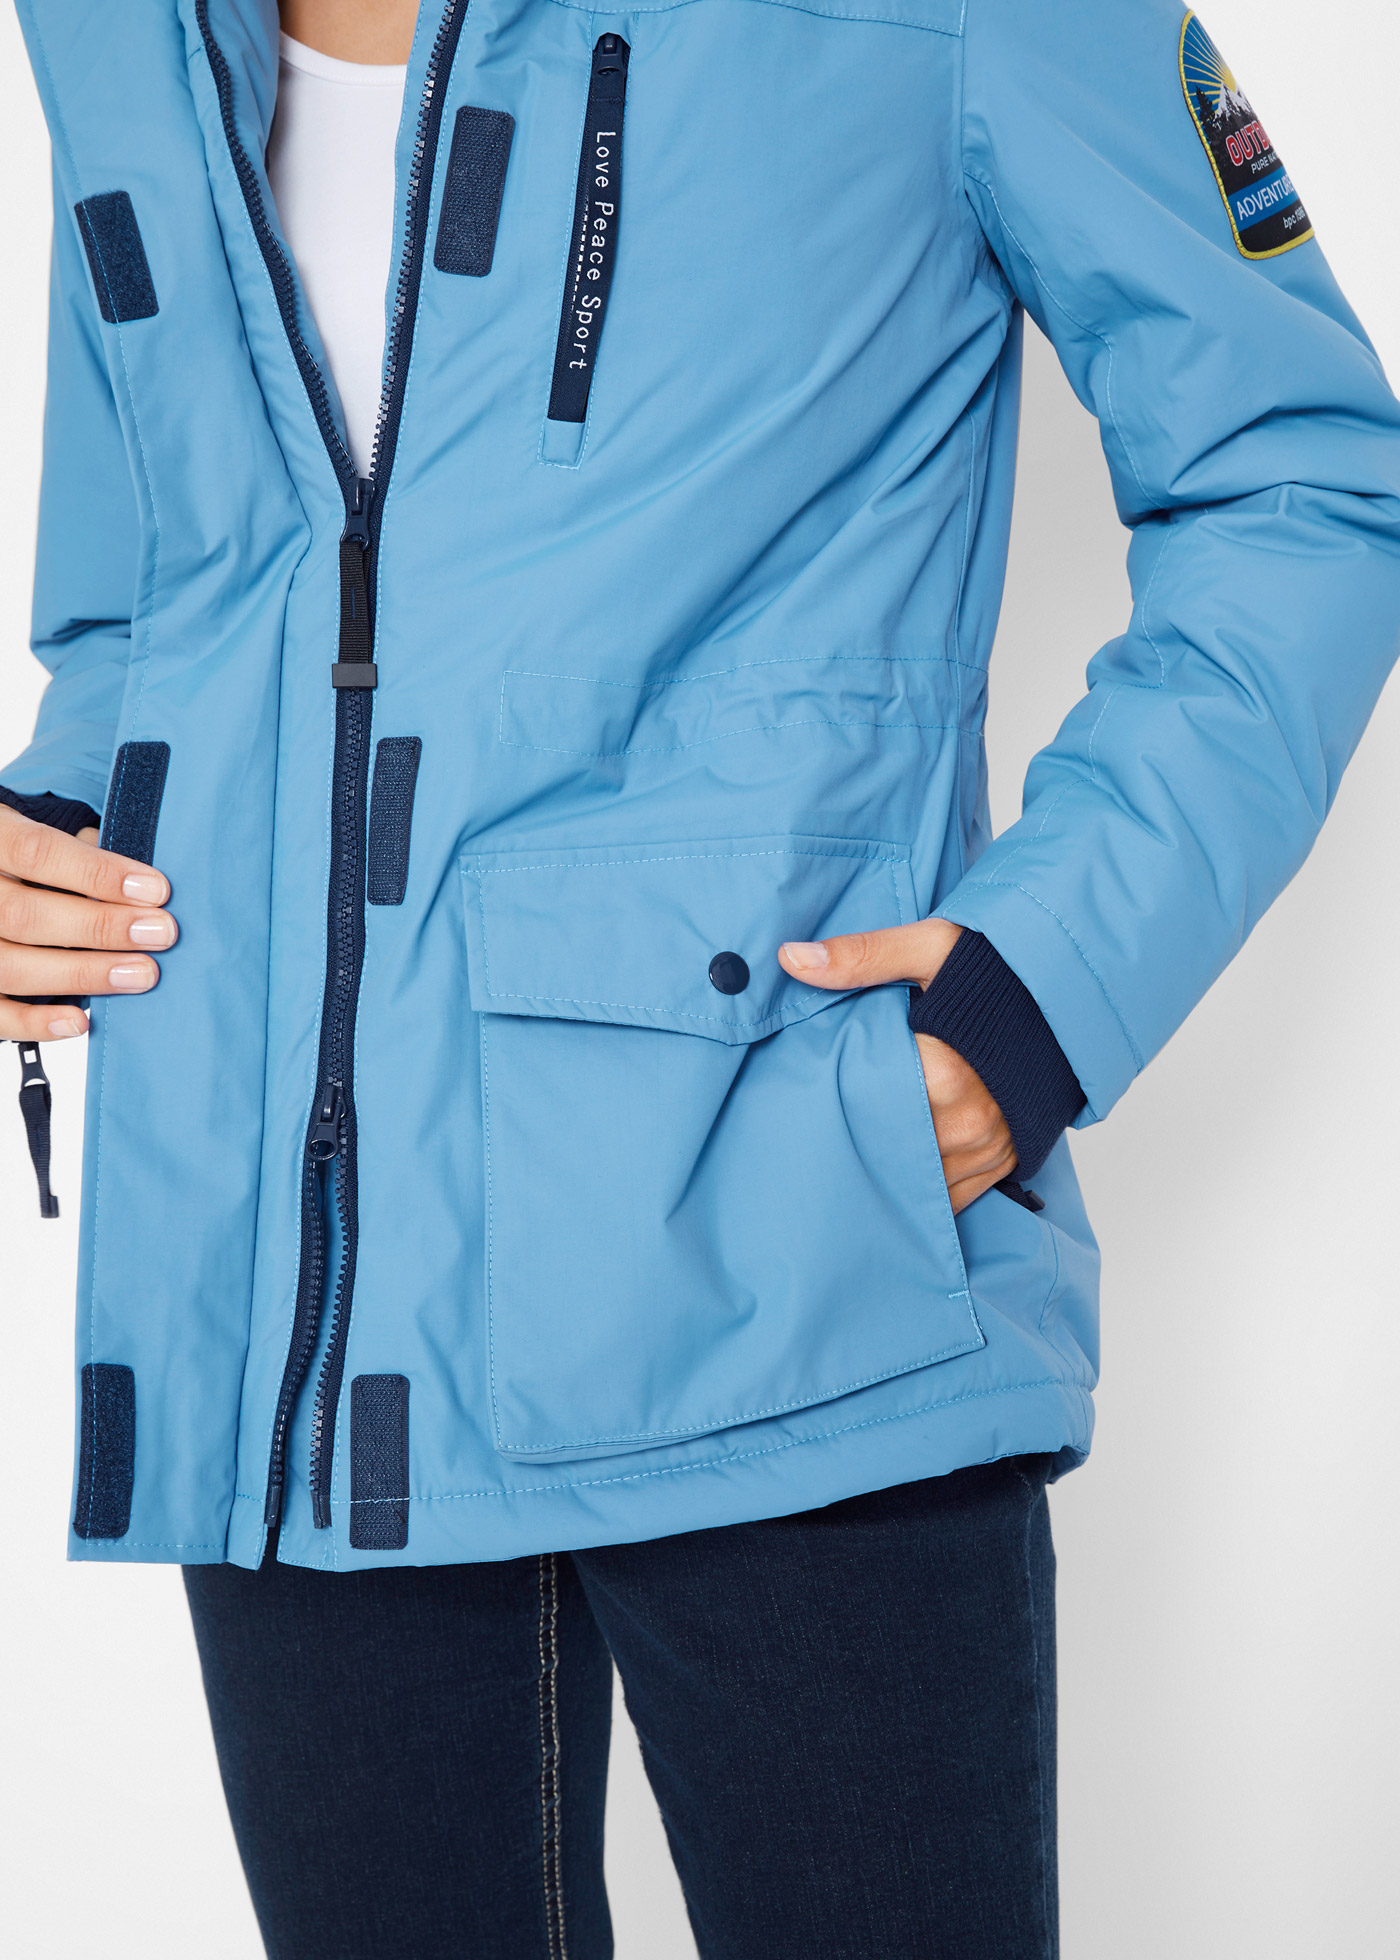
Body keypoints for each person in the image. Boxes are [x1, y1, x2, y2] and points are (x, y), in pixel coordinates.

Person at [2, 0, 1397, 1952]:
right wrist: (58, 819)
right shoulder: (119, 25)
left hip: (782, 1250)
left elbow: (1302, 481)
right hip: (290, 1309)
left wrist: (1042, 988)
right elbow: (167, 587)